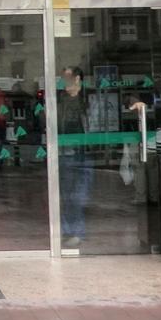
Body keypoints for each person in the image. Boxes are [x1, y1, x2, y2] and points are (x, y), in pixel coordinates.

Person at [57, 66, 91, 249]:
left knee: (77, 195)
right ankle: (69, 232)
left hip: (82, 152)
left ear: (77, 79)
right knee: (67, 195)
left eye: (67, 77)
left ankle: (76, 232)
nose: (63, 81)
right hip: (64, 152)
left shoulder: (87, 98)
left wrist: (135, 100)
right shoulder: (59, 100)